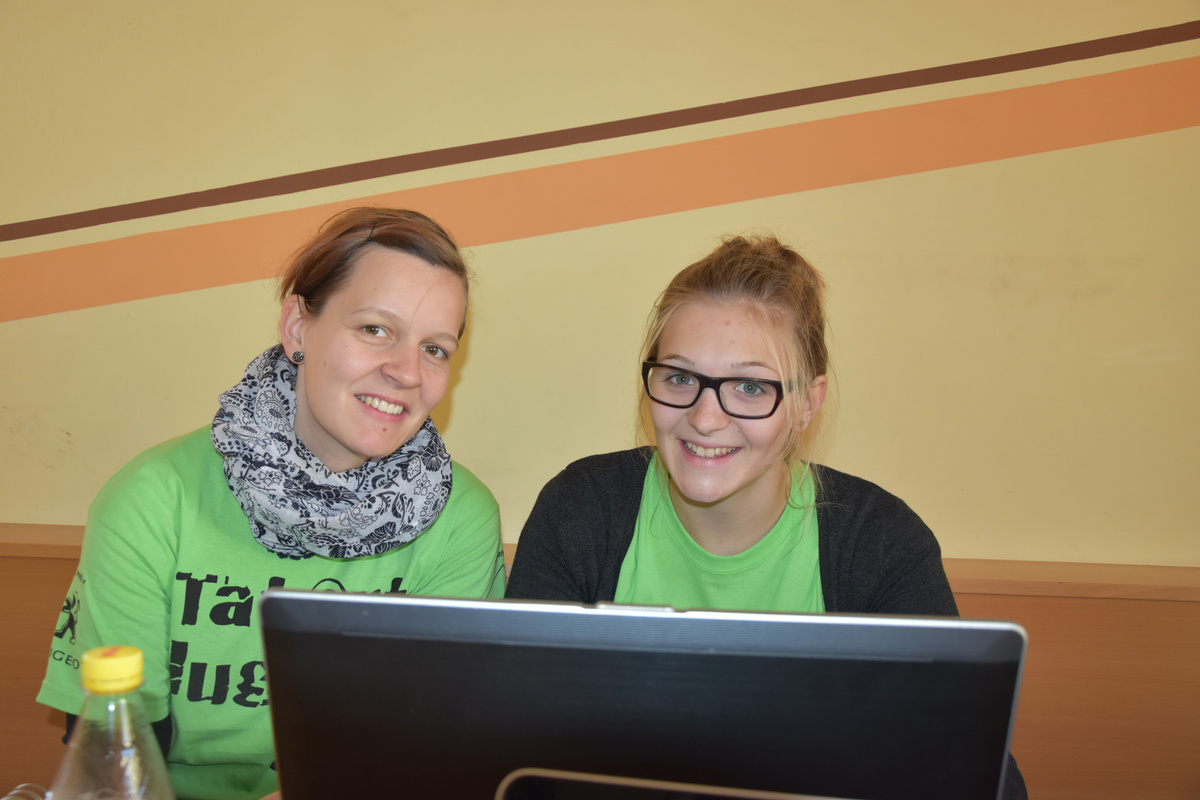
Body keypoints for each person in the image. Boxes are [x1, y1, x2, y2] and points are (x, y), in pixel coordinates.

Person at [506, 234, 1027, 798]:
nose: (706, 418)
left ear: (807, 403)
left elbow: (980, 775)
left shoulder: (881, 544)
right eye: (679, 378)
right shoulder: (581, 511)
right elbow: (511, 738)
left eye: (750, 387)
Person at [38, 208, 505, 800]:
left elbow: (428, 751)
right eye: (374, 329)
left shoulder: (460, 519)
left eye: (435, 348)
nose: (407, 372)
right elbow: (117, 756)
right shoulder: (154, 498)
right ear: (297, 327)